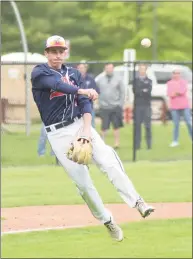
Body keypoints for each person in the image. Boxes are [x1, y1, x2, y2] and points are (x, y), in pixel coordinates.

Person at [31, 35, 154, 242]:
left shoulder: (74, 73)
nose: (57, 55)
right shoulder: (39, 72)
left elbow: (85, 103)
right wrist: (82, 90)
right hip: (58, 133)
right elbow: (57, 85)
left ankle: (138, 202)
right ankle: (107, 221)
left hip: (80, 124)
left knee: (109, 161)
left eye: (61, 51)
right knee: (84, 184)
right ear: (46, 53)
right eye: (53, 51)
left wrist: (87, 129)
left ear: (65, 53)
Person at [96, 63, 124, 149]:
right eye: (108, 68)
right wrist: (99, 103)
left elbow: (122, 92)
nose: (109, 70)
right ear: (105, 69)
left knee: (116, 126)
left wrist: (120, 103)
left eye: (111, 68)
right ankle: (102, 144)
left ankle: (116, 143)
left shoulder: (118, 79)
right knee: (104, 126)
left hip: (115, 106)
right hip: (104, 107)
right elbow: (96, 91)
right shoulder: (100, 79)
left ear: (113, 69)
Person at [167, 68, 192, 147]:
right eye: (175, 73)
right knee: (176, 124)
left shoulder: (183, 82)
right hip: (174, 107)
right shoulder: (169, 83)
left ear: (180, 74)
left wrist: (176, 93)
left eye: (178, 73)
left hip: (184, 106)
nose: (176, 75)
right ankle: (175, 141)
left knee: (188, 123)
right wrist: (176, 93)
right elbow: (169, 93)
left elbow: (182, 91)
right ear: (173, 74)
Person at [132, 64, 152, 150]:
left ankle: (149, 145)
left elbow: (148, 92)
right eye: (140, 69)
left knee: (147, 126)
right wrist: (143, 90)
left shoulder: (149, 81)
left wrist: (142, 91)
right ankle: (137, 145)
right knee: (137, 126)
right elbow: (135, 91)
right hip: (138, 106)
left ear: (146, 70)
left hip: (146, 106)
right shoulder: (135, 81)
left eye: (143, 69)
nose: (142, 71)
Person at [77, 61, 100, 128]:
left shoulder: (91, 79)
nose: (81, 69)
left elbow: (96, 91)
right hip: (76, 107)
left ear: (85, 69)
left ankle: (91, 138)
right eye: (79, 68)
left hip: (89, 106)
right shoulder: (74, 78)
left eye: (82, 68)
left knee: (91, 126)